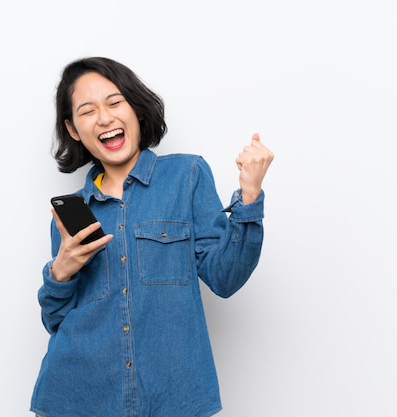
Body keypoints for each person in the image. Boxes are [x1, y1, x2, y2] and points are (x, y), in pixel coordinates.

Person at [31, 57, 274, 417]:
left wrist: (249, 197)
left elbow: (225, 277)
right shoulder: (71, 215)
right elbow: (56, 322)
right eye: (87, 111)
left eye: (115, 103)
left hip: (173, 399)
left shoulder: (186, 175)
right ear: (73, 129)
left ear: (136, 108)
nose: (104, 117)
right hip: (76, 399)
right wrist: (60, 272)